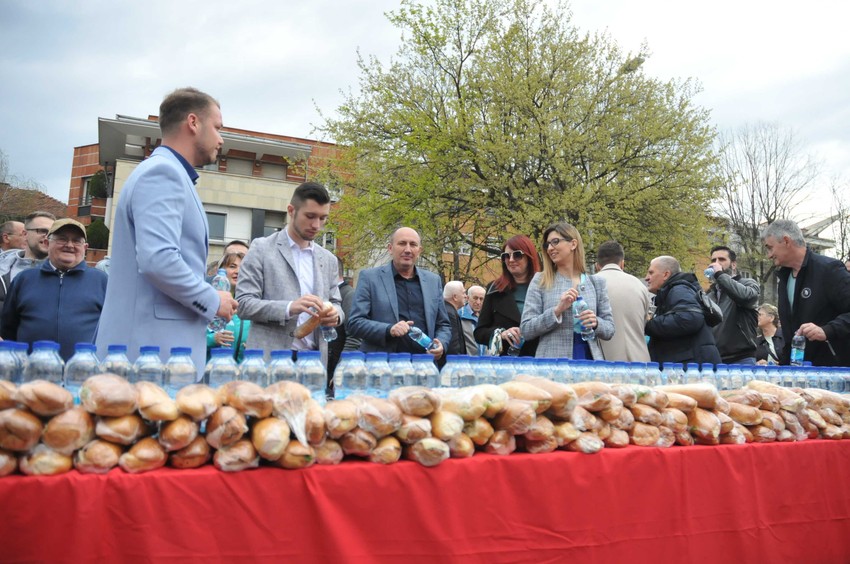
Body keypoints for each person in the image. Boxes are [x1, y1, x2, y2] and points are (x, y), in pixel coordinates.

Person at [95, 87, 238, 376]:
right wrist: (212, 300)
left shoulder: (168, 173)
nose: (221, 139)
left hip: (155, 354)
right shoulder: (163, 174)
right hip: (151, 357)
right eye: (218, 127)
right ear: (193, 122)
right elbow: (158, 259)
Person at [236, 182, 342, 368]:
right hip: (269, 360)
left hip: (313, 362)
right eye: (310, 216)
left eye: (323, 218)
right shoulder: (261, 249)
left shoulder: (329, 259)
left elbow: (337, 303)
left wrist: (336, 316)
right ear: (291, 210)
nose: (316, 225)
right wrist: (289, 307)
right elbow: (244, 304)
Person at [1, 219, 108, 360]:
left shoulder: (101, 281)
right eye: (62, 239)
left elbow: (112, 329)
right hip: (31, 374)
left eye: (76, 241)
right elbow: (8, 330)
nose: (69, 245)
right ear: (47, 243)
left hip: (82, 374)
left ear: (85, 247)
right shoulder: (24, 279)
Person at [347, 227, 451, 358]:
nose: (407, 250)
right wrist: (388, 329)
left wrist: (441, 343)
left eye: (413, 245)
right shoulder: (370, 278)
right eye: (402, 243)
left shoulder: (433, 281)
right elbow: (355, 322)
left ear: (419, 251)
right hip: (382, 365)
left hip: (423, 365)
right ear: (390, 248)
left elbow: (443, 325)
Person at [761, 219, 850, 366]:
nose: (769, 255)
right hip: (798, 373)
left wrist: (827, 330)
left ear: (786, 241)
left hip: (831, 373)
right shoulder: (784, 278)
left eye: (770, 248)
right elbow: (790, 335)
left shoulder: (828, 269)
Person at [520, 223, 614, 359]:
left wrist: (596, 322)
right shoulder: (540, 281)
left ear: (573, 244)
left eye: (555, 242)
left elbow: (610, 329)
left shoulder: (596, 283)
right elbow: (526, 329)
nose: (550, 248)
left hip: (589, 362)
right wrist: (557, 311)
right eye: (548, 245)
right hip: (553, 365)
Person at [644, 256, 722, 365]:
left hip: (691, 368)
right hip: (691, 364)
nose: (647, 278)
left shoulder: (679, 289)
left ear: (666, 274)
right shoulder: (676, 290)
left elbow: (691, 318)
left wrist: (648, 325)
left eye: (651, 273)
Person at [474, 235, 541, 356]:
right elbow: (479, 333)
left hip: (538, 360)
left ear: (529, 257)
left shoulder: (544, 287)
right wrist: (501, 334)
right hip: (506, 362)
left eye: (517, 254)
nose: (511, 260)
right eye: (506, 256)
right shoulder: (494, 289)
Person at [594, 241, 651, 362]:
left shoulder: (590, 284)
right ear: (622, 264)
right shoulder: (639, 285)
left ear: (597, 266)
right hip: (640, 360)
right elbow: (645, 322)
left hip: (604, 362)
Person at [704, 245, 761, 364]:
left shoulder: (747, 283)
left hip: (741, 359)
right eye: (713, 260)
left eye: (721, 260)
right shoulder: (710, 294)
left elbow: (746, 297)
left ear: (733, 265)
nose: (716, 263)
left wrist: (719, 274)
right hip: (716, 359)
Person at [206, 251, 251, 362]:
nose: (238, 271)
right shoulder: (206, 299)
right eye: (232, 266)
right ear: (220, 271)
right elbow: (191, 336)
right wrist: (213, 339)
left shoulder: (251, 303)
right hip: (210, 371)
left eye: (243, 267)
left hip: (239, 372)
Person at [0, 211, 55, 281]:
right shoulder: (3, 269)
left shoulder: (64, 273)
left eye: (52, 233)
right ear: (25, 234)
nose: (47, 236)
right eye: (42, 231)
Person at [327, 257, 357, 380]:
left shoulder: (349, 295)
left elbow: (354, 338)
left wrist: (340, 369)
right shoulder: (330, 294)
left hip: (335, 371)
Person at [458, 285, 485, 356]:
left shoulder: (487, 317)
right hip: (467, 363)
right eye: (475, 298)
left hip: (485, 363)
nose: (478, 302)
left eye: (481, 299)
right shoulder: (459, 315)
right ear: (467, 298)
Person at [442, 280, 467, 356]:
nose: (466, 296)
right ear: (455, 297)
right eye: (463, 293)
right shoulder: (449, 313)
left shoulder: (447, 310)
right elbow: (453, 344)